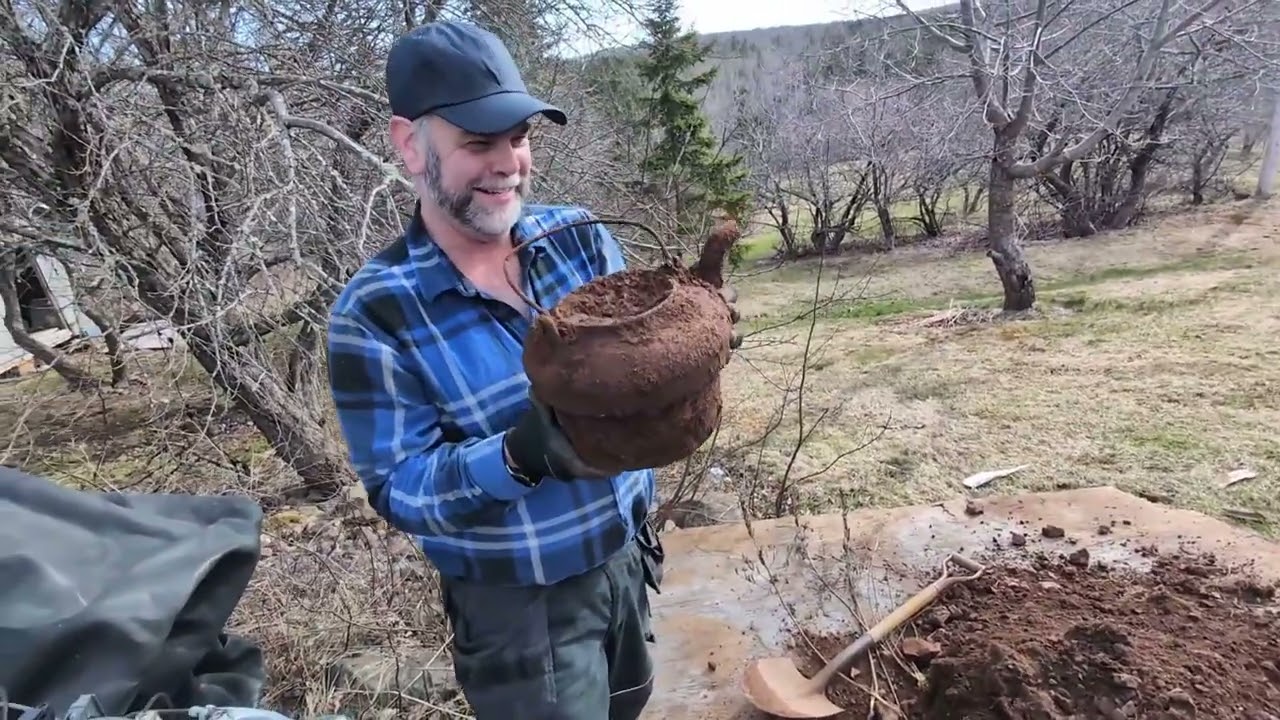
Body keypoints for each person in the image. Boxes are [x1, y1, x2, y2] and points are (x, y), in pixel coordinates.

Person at [325, 19, 742, 720]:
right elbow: (398, 487)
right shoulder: (377, 313)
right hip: (523, 605)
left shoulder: (576, 237)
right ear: (409, 145)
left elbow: (642, 369)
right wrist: (519, 457)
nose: (509, 163)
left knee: (630, 703)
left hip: (627, 558)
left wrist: (699, 334)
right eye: (478, 143)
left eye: (518, 138)